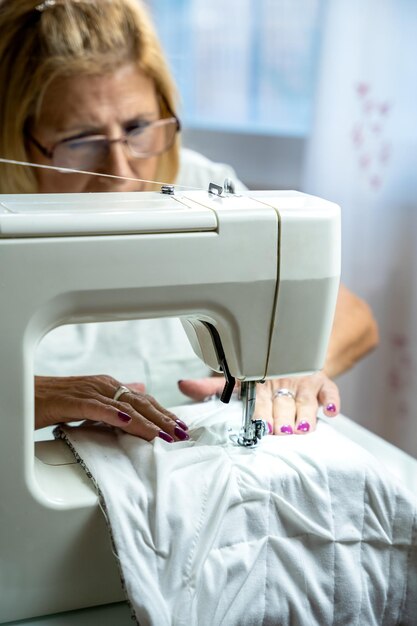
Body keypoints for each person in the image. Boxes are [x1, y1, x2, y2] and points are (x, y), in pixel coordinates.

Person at [0, 0, 378, 442]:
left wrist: (292, 371)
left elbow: (351, 314)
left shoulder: (197, 186)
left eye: (139, 127)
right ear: (12, 133)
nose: (121, 173)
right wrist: (23, 396)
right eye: (81, 141)